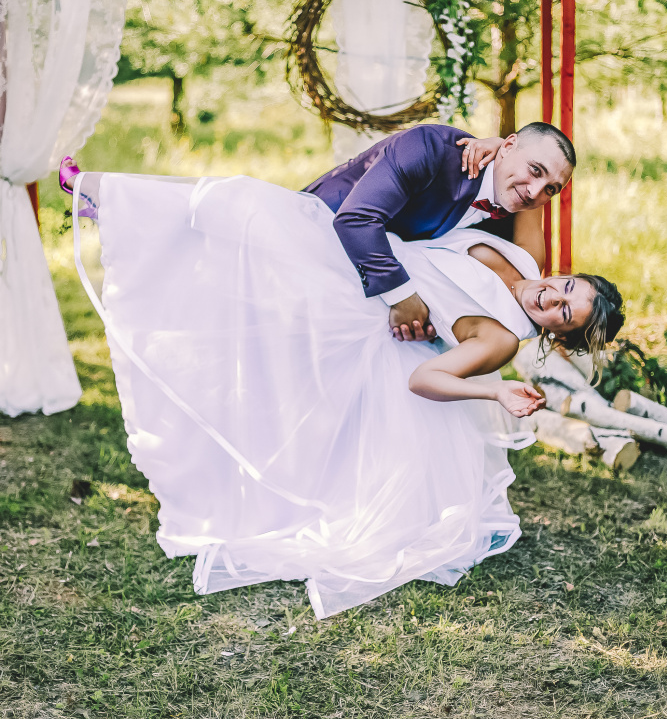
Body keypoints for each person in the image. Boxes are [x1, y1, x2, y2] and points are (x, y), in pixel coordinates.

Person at [59, 143, 622, 619]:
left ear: (561, 336)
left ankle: (110, 202)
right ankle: (112, 202)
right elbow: (530, 177)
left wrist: (494, 389)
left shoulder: (500, 340)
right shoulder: (530, 258)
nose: (552, 297)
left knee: (247, 232)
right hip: (369, 262)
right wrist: (494, 144)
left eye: (564, 315)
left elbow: (425, 377)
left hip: (363, 305)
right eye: (568, 287)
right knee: (247, 208)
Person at [304, 121, 575, 342]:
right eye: (535, 170)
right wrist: (402, 297)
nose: (535, 192)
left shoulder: (515, 199)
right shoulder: (430, 148)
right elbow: (356, 218)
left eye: (551, 189)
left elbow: (527, 268)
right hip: (319, 239)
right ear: (508, 145)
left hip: (377, 294)